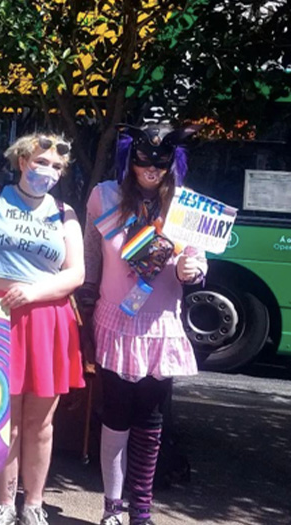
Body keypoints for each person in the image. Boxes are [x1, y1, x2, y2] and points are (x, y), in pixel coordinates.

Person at [0, 133, 85, 525]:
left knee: (39, 422)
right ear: (23, 160)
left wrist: (34, 292)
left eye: (57, 167)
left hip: (46, 320)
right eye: (42, 162)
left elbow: (76, 273)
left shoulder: (66, 214)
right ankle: (4, 503)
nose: (49, 172)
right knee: (2, 419)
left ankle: (34, 505)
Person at [79, 123, 206, 525]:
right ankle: (111, 508)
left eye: (160, 161)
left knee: (151, 421)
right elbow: (90, 258)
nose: (151, 169)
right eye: (143, 160)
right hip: (115, 321)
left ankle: (142, 510)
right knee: (114, 416)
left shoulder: (186, 207)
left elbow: (197, 264)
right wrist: (82, 309)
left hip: (159, 326)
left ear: (175, 162)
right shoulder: (104, 197)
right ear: (129, 159)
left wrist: (192, 269)